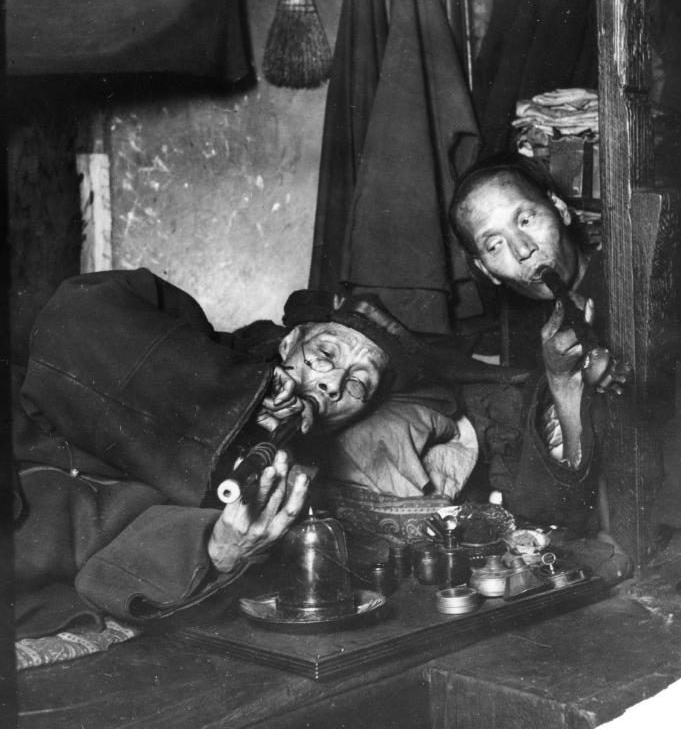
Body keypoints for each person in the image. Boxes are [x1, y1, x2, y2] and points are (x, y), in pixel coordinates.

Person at [12, 268, 411, 639]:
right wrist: (239, 394)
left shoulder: (287, 478)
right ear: (288, 343)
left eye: (359, 384)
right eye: (325, 355)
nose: (331, 384)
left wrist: (216, 550)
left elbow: (113, 563)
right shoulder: (200, 341)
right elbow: (75, 313)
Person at [449, 154, 630, 572]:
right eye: (494, 245)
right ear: (485, 270)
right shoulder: (539, 337)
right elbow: (553, 509)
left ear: (560, 209)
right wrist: (562, 381)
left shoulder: (626, 276)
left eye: (526, 219)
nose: (523, 250)